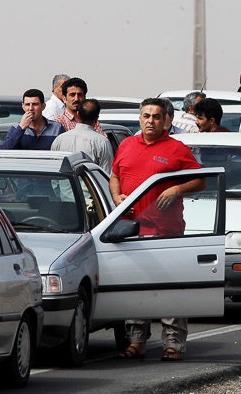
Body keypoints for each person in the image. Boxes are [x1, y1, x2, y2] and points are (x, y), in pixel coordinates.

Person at [109, 98, 205, 362]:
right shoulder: (127, 145)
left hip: (167, 233)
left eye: (156, 116)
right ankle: (136, 342)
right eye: (146, 115)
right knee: (135, 288)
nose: (150, 120)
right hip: (131, 232)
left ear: (166, 121)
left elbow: (200, 180)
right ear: (140, 119)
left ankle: (173, 344)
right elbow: (115, 175)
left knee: (169, 290)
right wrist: (117, 196)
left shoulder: (177, 149)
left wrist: (176, 189)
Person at [51, 98, 113, 174]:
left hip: (65, 184)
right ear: (96, 118)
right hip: (89, 185)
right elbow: (106, 174)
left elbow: (54, 169)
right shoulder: (102, 142)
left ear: (78, 114)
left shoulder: (59, 139)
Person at [1, 89, 65, 150]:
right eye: (27, 104)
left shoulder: (57, 128)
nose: (31, 108)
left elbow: (64, 151)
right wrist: (21, 128)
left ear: (43, 106)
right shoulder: (16, 128)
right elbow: (4, 150)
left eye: (35, 104)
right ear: (23, 107)